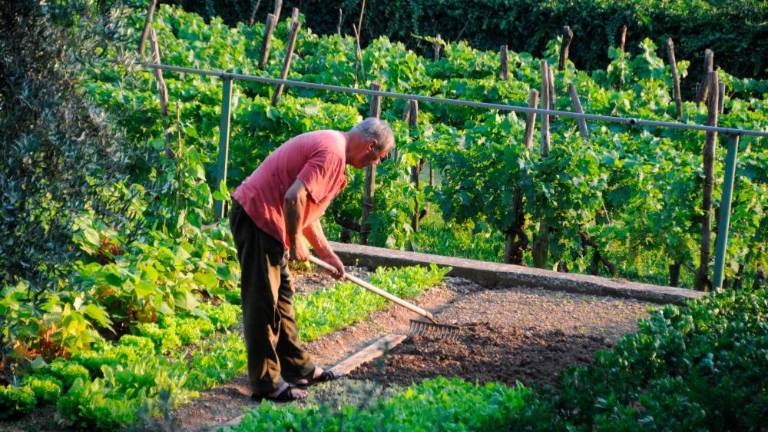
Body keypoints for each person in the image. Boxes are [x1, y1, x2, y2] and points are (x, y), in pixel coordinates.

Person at [229, 117, 395, 402]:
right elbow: (293, 198)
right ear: (370, 146)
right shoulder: (332, 153)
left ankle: (297, 368)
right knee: (263, 303)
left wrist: (326, 254)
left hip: (267, 222)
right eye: (379, 157)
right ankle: (266, 384)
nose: (375, 163)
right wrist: (295, 242)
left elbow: (307, 209)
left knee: (282, 299)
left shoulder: (334, 149)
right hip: (258, 218)